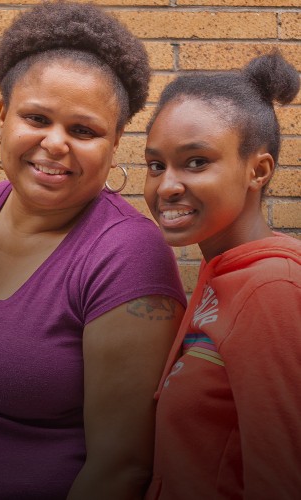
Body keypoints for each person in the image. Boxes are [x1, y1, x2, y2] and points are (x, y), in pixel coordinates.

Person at [0, 2, 186, 499]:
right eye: (37, 117)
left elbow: (121, 468)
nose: (55, 143)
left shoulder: (126, 256)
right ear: (3, 115)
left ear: (115, 142)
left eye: (84, 130)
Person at [143, 51, 301, 500]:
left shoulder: (272, 289)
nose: (167, 185)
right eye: (156, 165)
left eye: (196, 162)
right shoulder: (224, 275)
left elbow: (282, 479)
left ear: (258, 170)